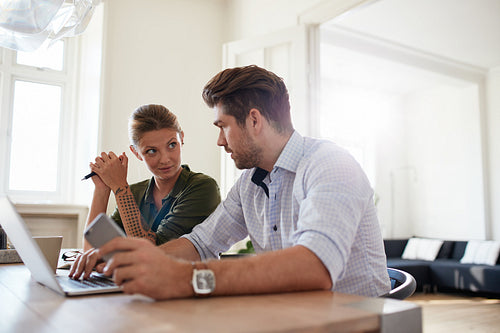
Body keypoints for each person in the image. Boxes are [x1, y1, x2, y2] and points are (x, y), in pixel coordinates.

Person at [70, 66, 390, 300]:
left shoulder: (330, 164)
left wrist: (184, 278)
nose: (220, 141)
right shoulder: (249, 182)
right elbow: (201, 243)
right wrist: (134, 260)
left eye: (222, 126)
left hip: (352, 321)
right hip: (293, 314)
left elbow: (314, 268)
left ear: (254, 120)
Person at [80, 104, 221, 253]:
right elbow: (91, 249)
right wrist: (102, 188)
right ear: (136, 153)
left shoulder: (204, 188)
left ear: (182, 139)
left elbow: (152, 255)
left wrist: (120, 187)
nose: (165, 159)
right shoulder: (133, 193)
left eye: (172, 145)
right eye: (152, 151)